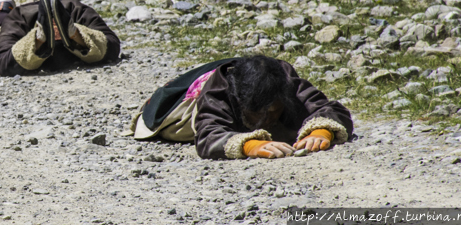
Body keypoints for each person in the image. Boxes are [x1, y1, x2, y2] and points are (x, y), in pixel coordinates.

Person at [129, 55, 353, 160]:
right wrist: (249, 145)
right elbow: (208, 135)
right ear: (239, 102)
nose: (267, 119)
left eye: (274, 111)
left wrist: (322, 130)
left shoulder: (285, 82)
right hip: (183, 108)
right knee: (177, 130)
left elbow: (329, 108)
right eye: (258, 113)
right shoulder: (219, 92)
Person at [0, 0, 122, 77]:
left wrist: (76, 35)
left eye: (58, 26)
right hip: (22, 24)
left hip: (67, 13)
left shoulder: (74, 8)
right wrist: (39, 39)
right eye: (51, 26)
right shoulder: (18, 17)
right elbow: (3, 63)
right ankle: (4, 8)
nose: (55, 31)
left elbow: (112, 44)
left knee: (62, 5)